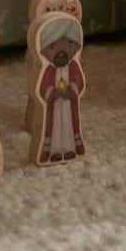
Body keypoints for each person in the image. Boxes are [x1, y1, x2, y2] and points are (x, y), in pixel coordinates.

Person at [35, 15, 86, 163]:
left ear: (76, 47)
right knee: (54, 127)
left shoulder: (73, 66)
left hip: (69, 104)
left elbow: (79, 81)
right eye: (53, 47)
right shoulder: (49, 70)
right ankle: (55, 151)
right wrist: (52, 93)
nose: (61, 51)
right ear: (44, 52)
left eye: (68, 44)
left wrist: (72, 90)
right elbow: (43, 87)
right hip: (54, 105)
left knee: (69, 125)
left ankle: (70, 149)